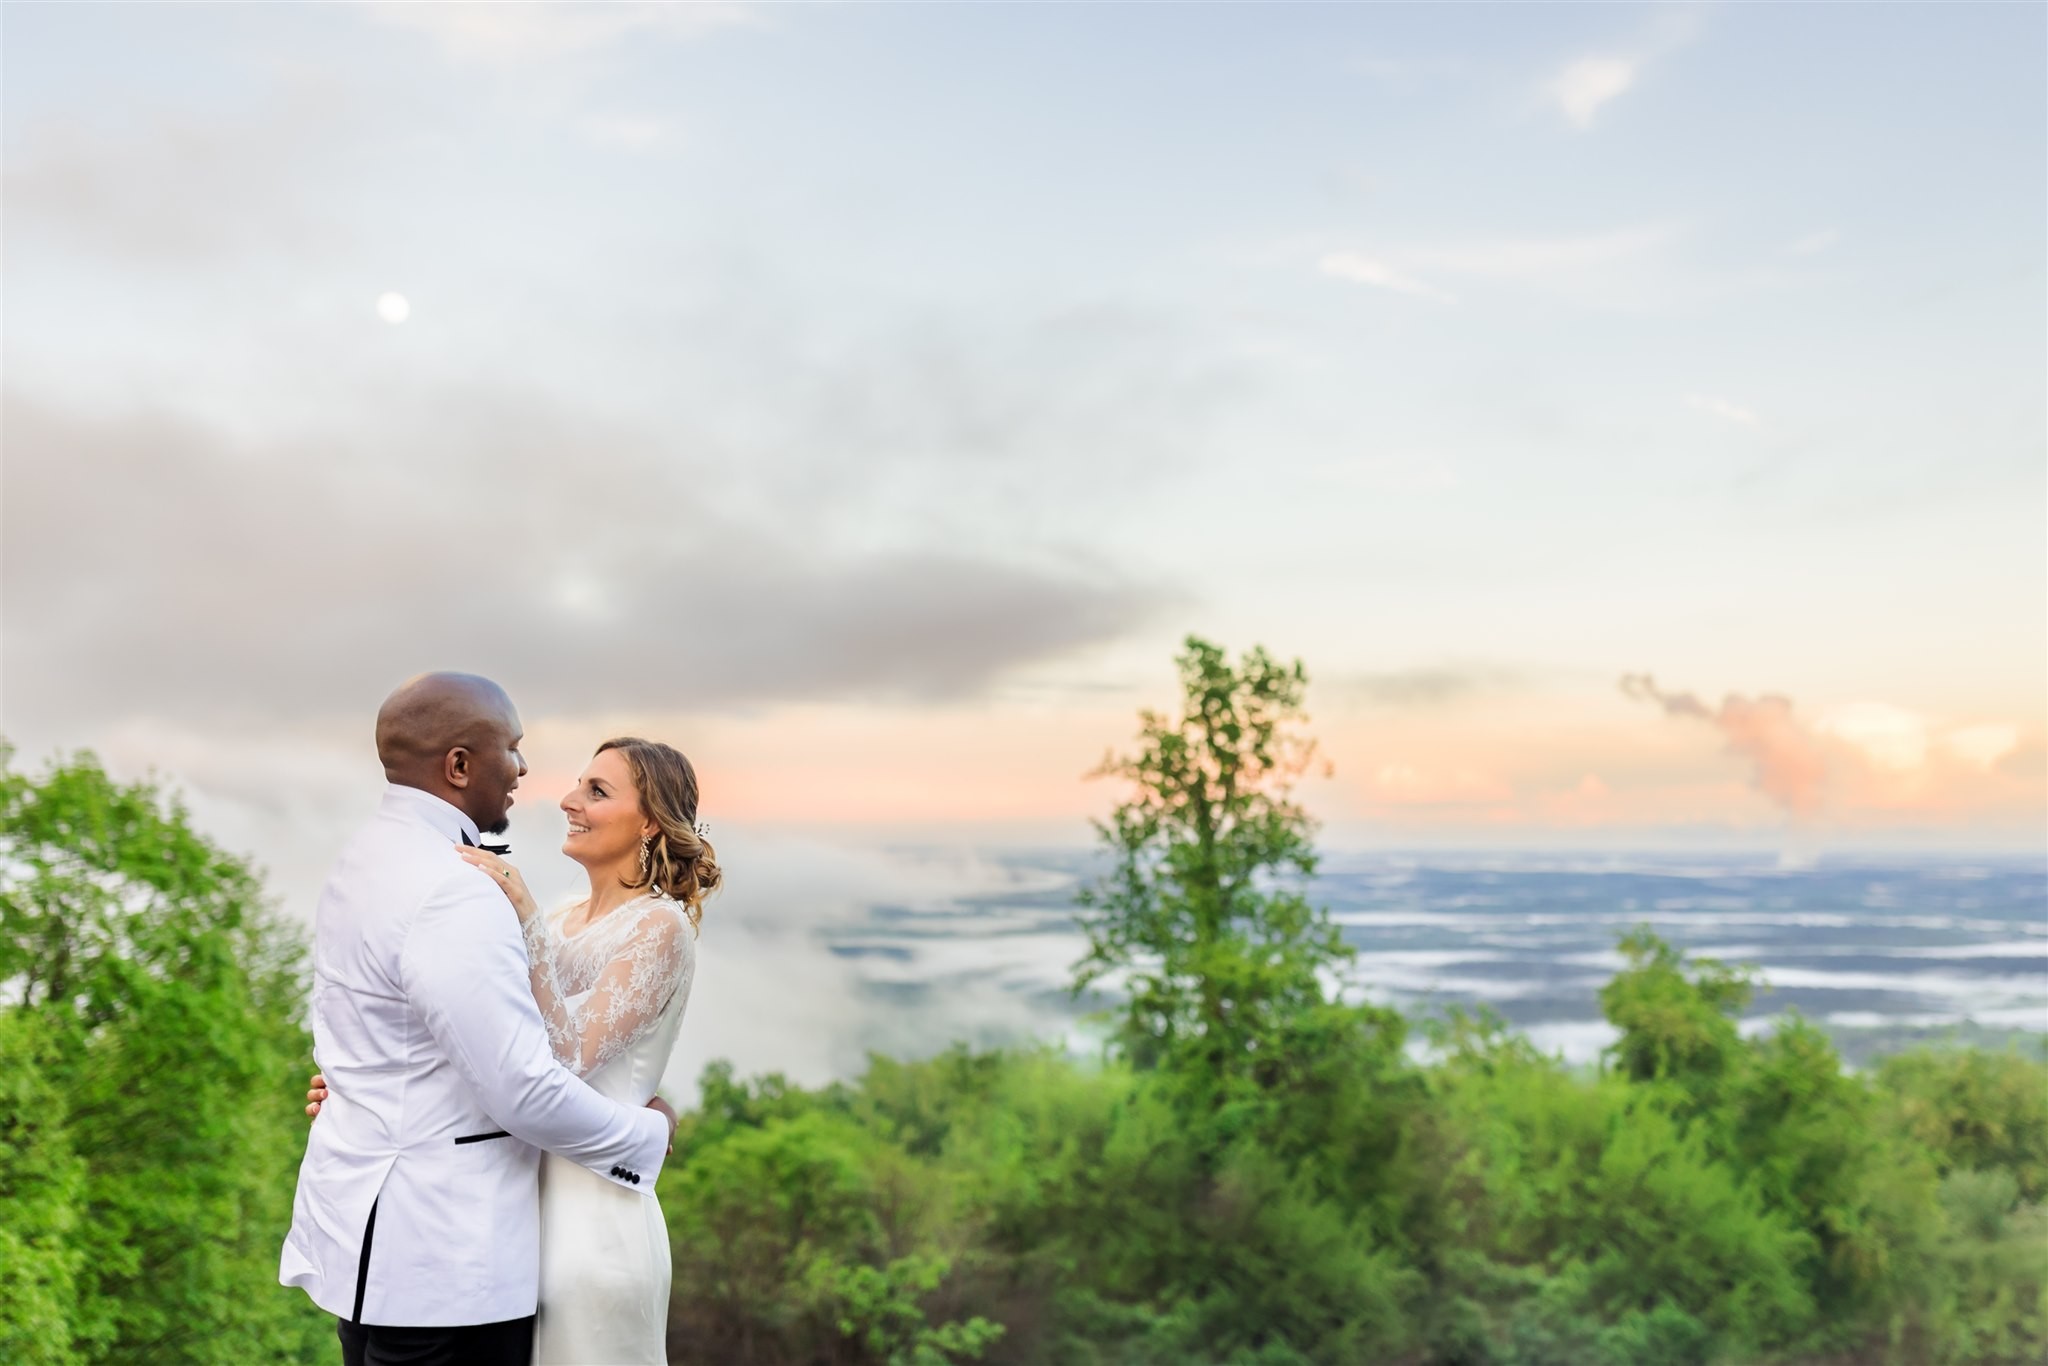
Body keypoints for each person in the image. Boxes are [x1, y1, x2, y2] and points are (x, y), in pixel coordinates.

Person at [282, 673, 680, 1366]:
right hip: (449, 1263)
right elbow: (521, 1087)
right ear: (460, 765)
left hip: (380, 1250)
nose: (528, 771)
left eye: (595, 789)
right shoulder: (454, 891)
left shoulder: (363, 857)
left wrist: (357, 1089)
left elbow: (392, 1029)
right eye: (513, 749)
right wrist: (648, 1135)